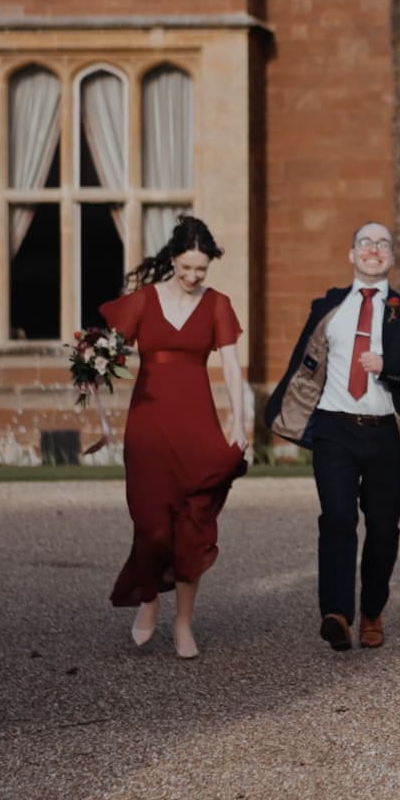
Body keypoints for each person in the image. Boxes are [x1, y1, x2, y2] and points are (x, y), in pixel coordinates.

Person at [267, 222, 400, 652]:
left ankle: (372, 611)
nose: (374, 250)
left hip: (386, 435)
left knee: (383, 528)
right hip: (334, 429)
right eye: (366, 243)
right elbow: (303, 365)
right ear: (352, 254)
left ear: (392, 258)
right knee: (338, 518)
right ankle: (337, 614)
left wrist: (388, 364)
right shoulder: (328, 306)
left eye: (383, 244)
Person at [96, 215, 249, 660]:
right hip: (148, 427)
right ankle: (149, 599)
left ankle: (183, 623)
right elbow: (105, 350)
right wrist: (90, 369)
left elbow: (233, 368)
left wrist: (239, 424)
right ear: (173, 259)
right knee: (152, 525)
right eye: (186, 268)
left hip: (197, 425)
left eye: (201, 269)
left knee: (192, 526)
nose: (192, 277)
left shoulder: (218, 304)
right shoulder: (144, 301)